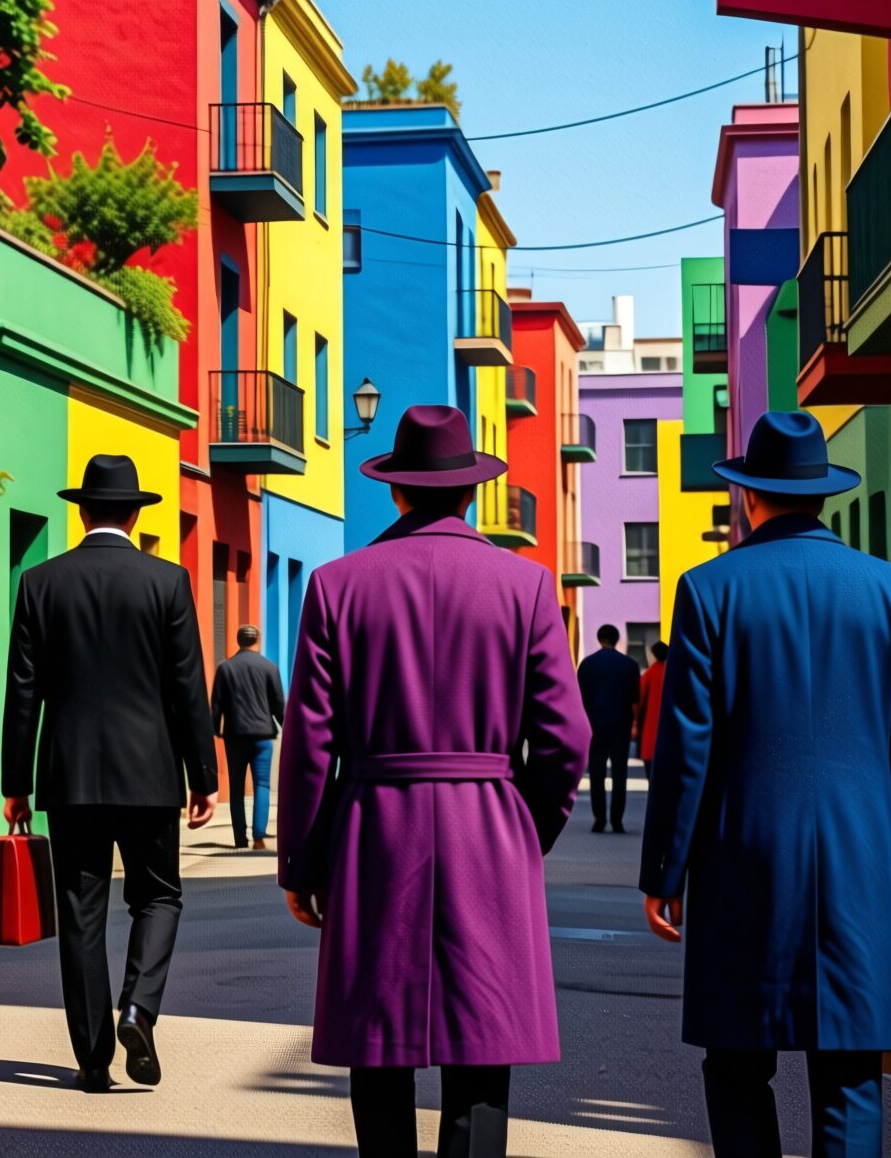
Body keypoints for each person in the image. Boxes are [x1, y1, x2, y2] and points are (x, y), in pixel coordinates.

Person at [276, 405, 590, 1158]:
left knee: (378, 1048)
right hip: (489, 827)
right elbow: (565, 736)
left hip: (376, 829)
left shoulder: (336, 586)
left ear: (395, 492)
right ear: (472, 494)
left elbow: (311, 741)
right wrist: (525, 827)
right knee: (480, 1054)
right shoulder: (526, 585)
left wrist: (302, 863)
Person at [638, 411, 891, 1158]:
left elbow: (687, 747)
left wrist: (664, 871)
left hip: (744, 862)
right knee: (850, 1073)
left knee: (739, 1064)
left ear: (750, 496)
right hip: (864, 865)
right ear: (822, 497)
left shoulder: (709, 589)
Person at [3, 454, 219, 1094]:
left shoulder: (41, 583)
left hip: (70, 779)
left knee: (80, 912)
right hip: (151, 775)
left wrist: (17, 783)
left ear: (81, 511)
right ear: (134, 512)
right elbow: (187, 687)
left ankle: (93, 1059)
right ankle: (139, 1009)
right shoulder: (168, 581)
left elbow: (23, 693)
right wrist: (203, 775)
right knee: (158, 896)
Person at [212, 624, 287, 850]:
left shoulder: (226, 668)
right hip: (262, 735)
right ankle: (258, 837)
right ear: (258, 641)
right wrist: (287, 727)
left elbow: (216, 704)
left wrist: (216, 729)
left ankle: (239, 839)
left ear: (238, 641)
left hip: (235, 735)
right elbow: (278, 704)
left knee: (236, 787)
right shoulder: (269, 667)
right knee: (262, 785)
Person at [575, 624, 644, 832]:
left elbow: (579, 700)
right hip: (621, 725)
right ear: (617, 639)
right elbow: (635, 699)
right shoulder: (630, 665)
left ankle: (599, 819)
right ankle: (616, 820)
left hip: (594, 726)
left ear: (599, 638)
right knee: (619, 773)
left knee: (596, 773)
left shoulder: (587, 665)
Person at [636, 640, 670, 770]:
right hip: (670, 728)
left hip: (650, 728)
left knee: (651, 770)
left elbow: (639, 700)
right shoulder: (673, 672)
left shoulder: (649, 674)